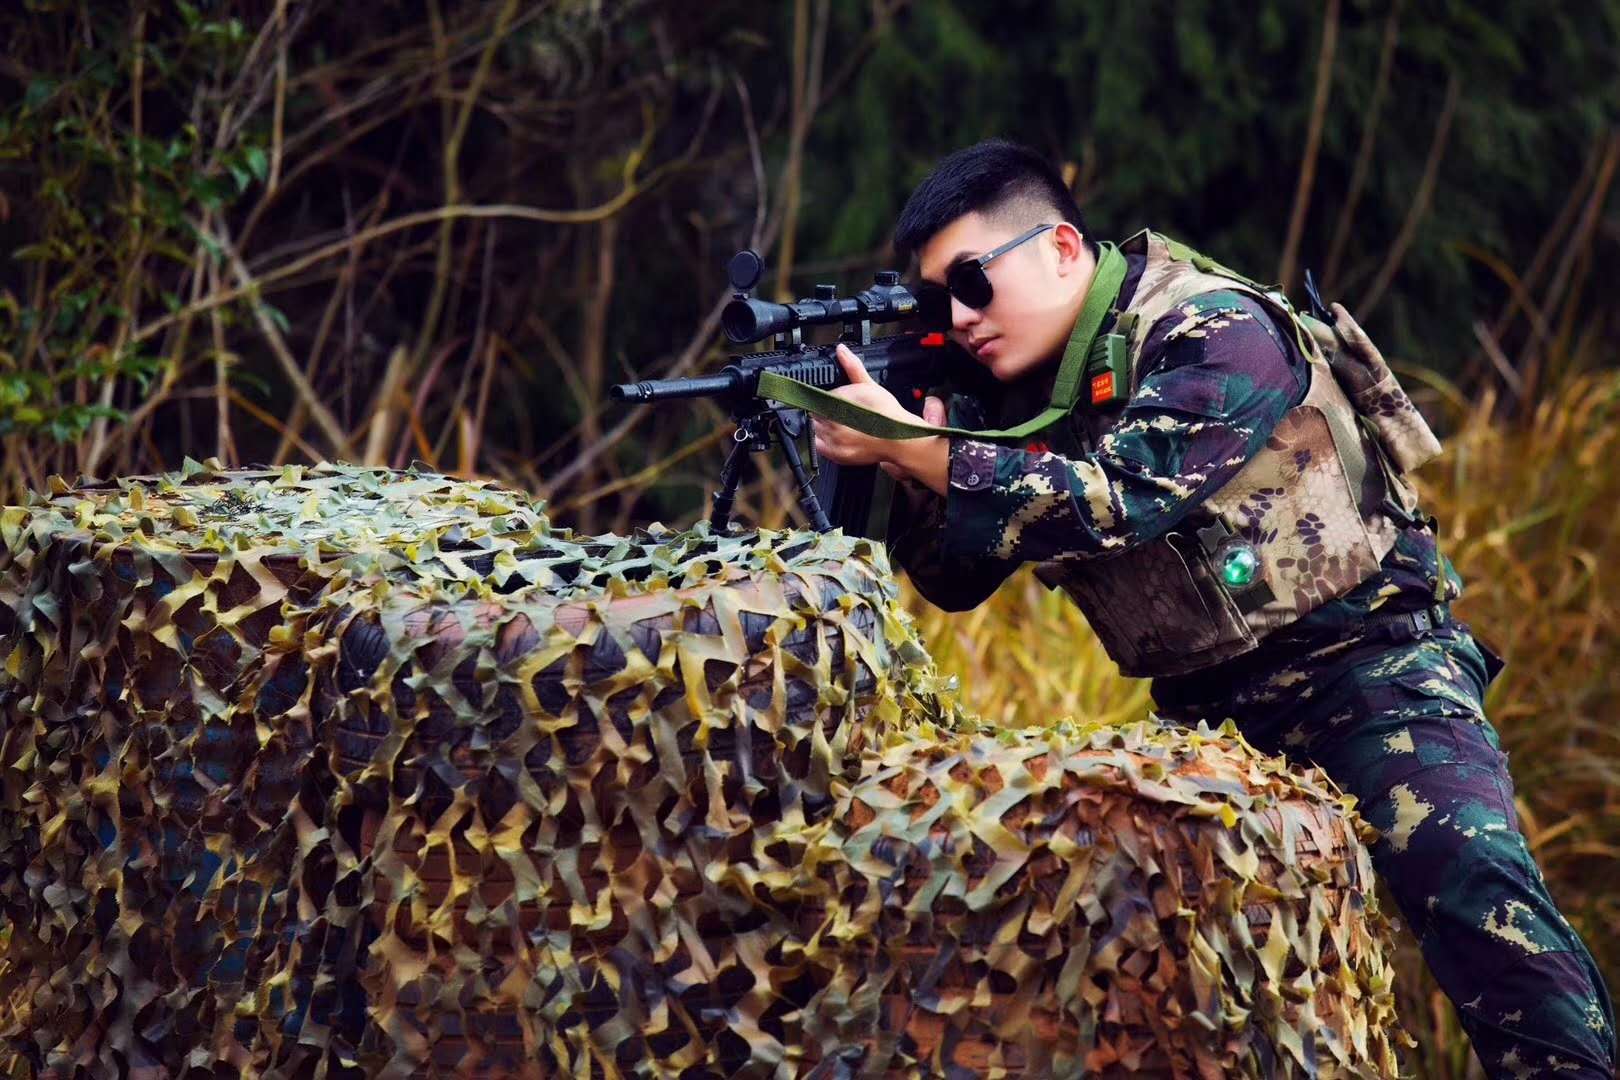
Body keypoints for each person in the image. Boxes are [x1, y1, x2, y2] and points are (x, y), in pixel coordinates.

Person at [805, 138, 1615, 1077]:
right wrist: (908, 462)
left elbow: (1125, 497)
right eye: (937, 298)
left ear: (1064, 248)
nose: (958, 316)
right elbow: (955, 579)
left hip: (1368, 673)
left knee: (1479, 901)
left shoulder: (1211, 326)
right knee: (1163, 972)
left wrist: (926, 454)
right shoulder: (1017, 388)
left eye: (973, 281)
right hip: (1205, 719)